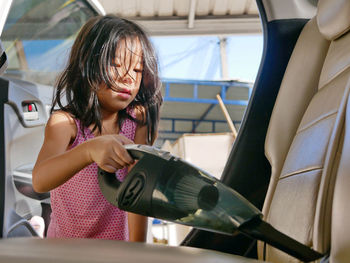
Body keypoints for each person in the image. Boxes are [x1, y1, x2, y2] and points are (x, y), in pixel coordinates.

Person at [32, 15, 162, 242]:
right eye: (115, 65)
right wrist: (89, 151)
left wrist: (137, 249)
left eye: (138, 70)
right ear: (87, 64)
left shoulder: (137, 121)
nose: (128, 78)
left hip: (114, 249)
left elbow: (137, 190)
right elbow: (40, 181)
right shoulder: (65, 123)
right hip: (63, 249)